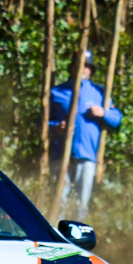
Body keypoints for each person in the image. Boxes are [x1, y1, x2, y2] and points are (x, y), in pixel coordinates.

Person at [47, 52, 122, 222]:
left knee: (81, 204)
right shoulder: (57, 92)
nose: (82, 69)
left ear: (91, 70)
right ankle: (57, 238)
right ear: (72, 67)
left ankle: (78, 240)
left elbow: (117, 120)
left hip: (87, 157)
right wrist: (55, 127)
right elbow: (42, 123)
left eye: (87, 66)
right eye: (79, 65)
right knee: (59, 200)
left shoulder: (100, 93)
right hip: (60, 156)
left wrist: (104, 113)